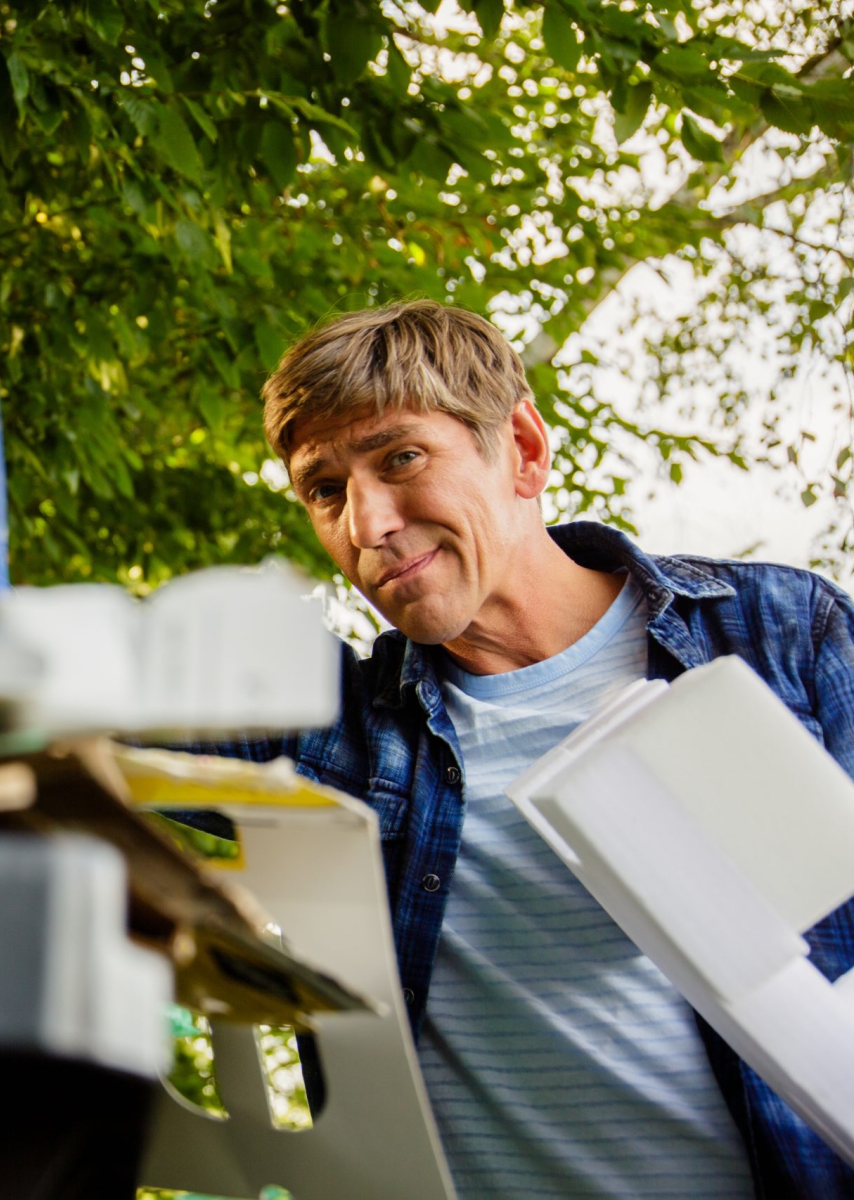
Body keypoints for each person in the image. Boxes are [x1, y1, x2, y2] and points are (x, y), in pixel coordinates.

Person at [213, 300, 854, 1198]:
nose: (367, 525)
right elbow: (42, 703)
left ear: (521, 447)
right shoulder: (336, 732)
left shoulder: (778, 634)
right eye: (325, 490)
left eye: (401, 457)